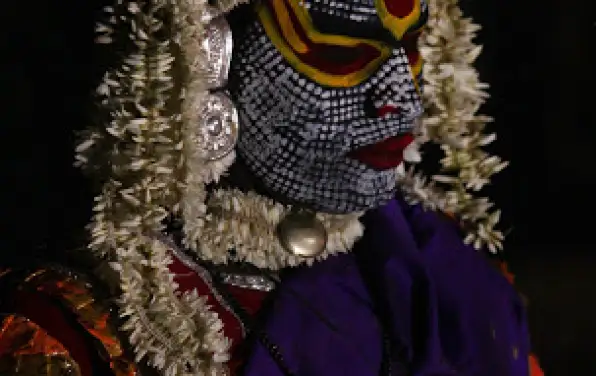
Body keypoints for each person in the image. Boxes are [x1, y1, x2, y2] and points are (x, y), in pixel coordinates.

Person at [0, 0, 543, 375]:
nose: (400, 100)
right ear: (204, 48)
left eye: (413, 49)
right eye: (340, 52)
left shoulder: (446, 275)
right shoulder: (71, 331)